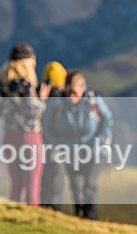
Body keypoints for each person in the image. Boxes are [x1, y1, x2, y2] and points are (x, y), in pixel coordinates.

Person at [48, 70, 113, 220]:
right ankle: (79, 217)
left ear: (83, 88)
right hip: (70, 151)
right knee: (76, 186)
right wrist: (58, 145)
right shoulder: (58, 104)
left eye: (74, 92)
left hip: (94, 150)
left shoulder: (93, 101)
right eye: (68, 92)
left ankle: (91, 218)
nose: (71, 96)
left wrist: (98, 142)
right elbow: (48, 128)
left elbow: (107, 121)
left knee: (89, 184)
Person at [0, 43, 46, 205]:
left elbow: (0, 112)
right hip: (29, 136)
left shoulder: (1, 85)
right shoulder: (25, 86)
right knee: (32, 183)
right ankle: (33, 220)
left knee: (16, 184)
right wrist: (43, 99)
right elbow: (34, 110)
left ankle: (13, 217)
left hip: (9, 136)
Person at [38, 61, 68, 211]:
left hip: (41, 143)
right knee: (56, 178)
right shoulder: (63, 98)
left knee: (44, 177)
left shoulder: (40, 94)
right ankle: (55, 210)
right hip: (58, 145)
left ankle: (43, 206)